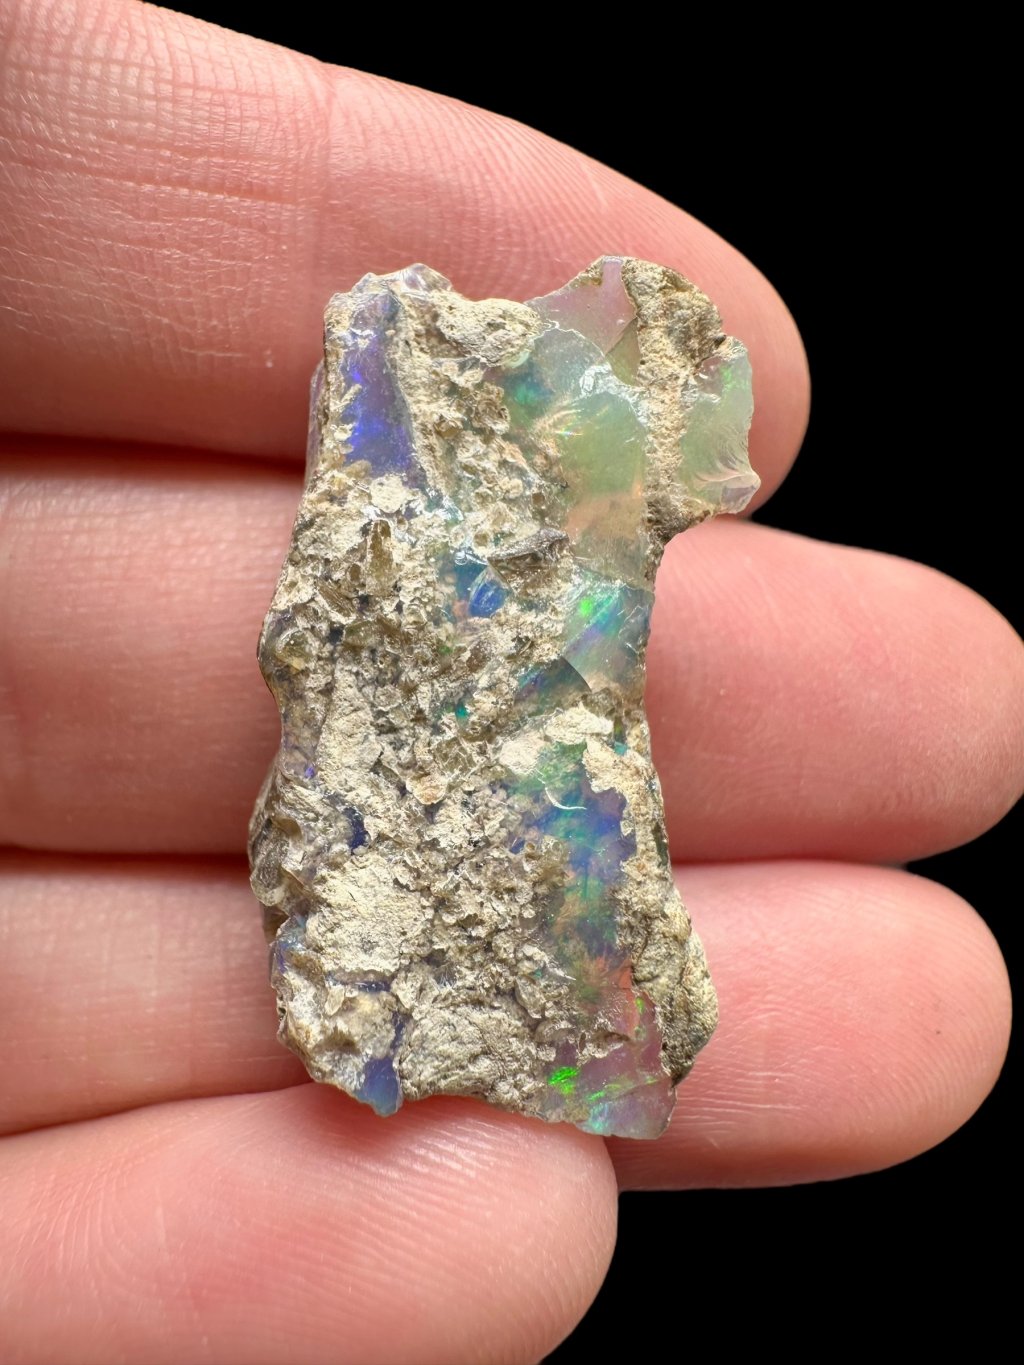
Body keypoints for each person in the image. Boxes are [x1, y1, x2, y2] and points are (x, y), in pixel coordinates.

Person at [0, 3, 1018, 1361]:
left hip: (527, 963)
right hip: (441, 960)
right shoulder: (432, 419)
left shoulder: (536, 485)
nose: (726, 476)